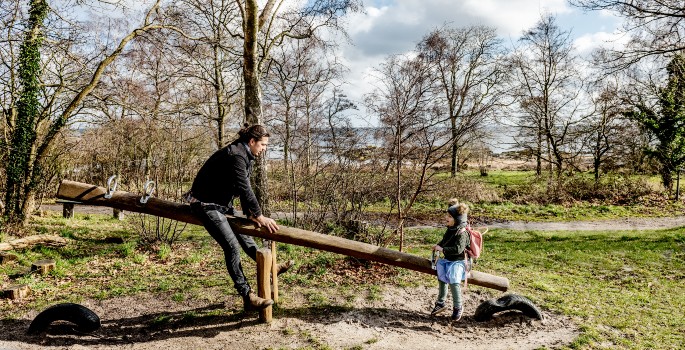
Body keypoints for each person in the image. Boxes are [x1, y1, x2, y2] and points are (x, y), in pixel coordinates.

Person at [188, 124, 294, 312]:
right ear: (252, 142)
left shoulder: (245, 154)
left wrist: (251, 215)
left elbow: (241, 186)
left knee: (245, 236)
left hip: (221, 204)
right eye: (263, 145)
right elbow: (245, 187)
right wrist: (260, 216)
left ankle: (272, 268)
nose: (265, 149)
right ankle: (248, 296)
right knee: (232, 246)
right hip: (205, 204)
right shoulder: (237, 155)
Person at [430, 199, 471, 321]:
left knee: (454, 277)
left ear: (457, 219)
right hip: (449, 260)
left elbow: (458, 249)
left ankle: (458, 306)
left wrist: (442, 249)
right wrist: (438, 246)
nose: (446, 218)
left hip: (460, 261)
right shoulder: (450, 229)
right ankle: (441, 302)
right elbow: (444, 241)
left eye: (449, 216)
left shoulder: (462, 232)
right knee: (441, 272)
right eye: (447, 215)